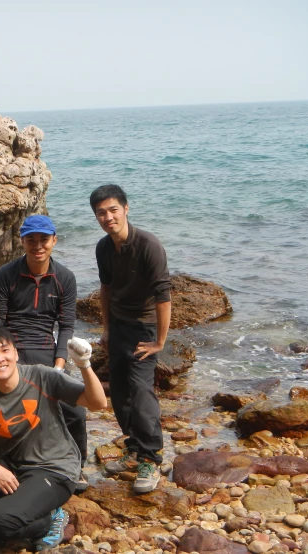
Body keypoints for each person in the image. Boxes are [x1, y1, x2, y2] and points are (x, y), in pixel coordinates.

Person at [0, 326, 106, 551]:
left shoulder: (42, 376)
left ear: (16, 353)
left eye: (4, 350)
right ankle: (9, 519)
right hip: (13, 470)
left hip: (55, 470)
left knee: (1, 522)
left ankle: (49, 519)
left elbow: (98, 403)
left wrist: (84, 366)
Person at [0, 214, 89, 491]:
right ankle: (2, 463)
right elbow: (1, 327)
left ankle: (77, 466)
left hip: (46, 350)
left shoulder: (65, 278)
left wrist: (58, 368)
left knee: (75, 411)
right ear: (22, 242)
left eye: (44, 239)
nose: (38, 246)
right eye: (32, 240)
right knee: (8, 408)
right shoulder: (6, 274)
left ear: (54, 240)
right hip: (13, 350)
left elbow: (65, 327)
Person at [89, 184, 171, 494]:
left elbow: (164, 296)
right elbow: (106, 289)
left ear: (126, 209)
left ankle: (151, 458)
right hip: (119, 327)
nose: (108, 217)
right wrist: (106, 329)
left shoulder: (149, 245)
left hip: (145, 328)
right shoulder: (104, 248)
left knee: (140, 391)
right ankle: (134, 449)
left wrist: (160, 342)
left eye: (113, 210)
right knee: (120, 393)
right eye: (101, 213)